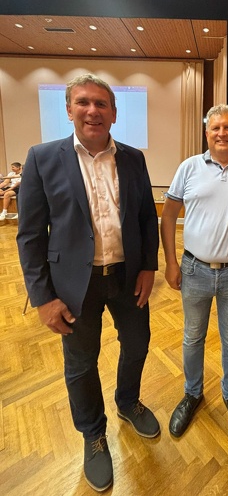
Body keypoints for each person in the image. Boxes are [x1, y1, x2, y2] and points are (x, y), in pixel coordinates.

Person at [16, 74, 159, 492]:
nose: (92, 110)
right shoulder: (42, 158)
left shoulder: (132, 158)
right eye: (83, 102)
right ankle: (93, 434)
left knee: (138, 344)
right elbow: (30, 235)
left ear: (114, 113)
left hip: (128, 276)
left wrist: (148, 267)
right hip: (73, 285)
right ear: (69, 110)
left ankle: (128, 401)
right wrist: (43, 298)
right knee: (81, 363)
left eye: (101, 104)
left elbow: (145, 217)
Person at [161, 104, 228, 441]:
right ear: (207, 134)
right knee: (193, 336)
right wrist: (171, 262)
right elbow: (168, 215)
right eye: (215, 128)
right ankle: (192, 393)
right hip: (194, 270)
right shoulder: (189, 167)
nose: (222, 133)